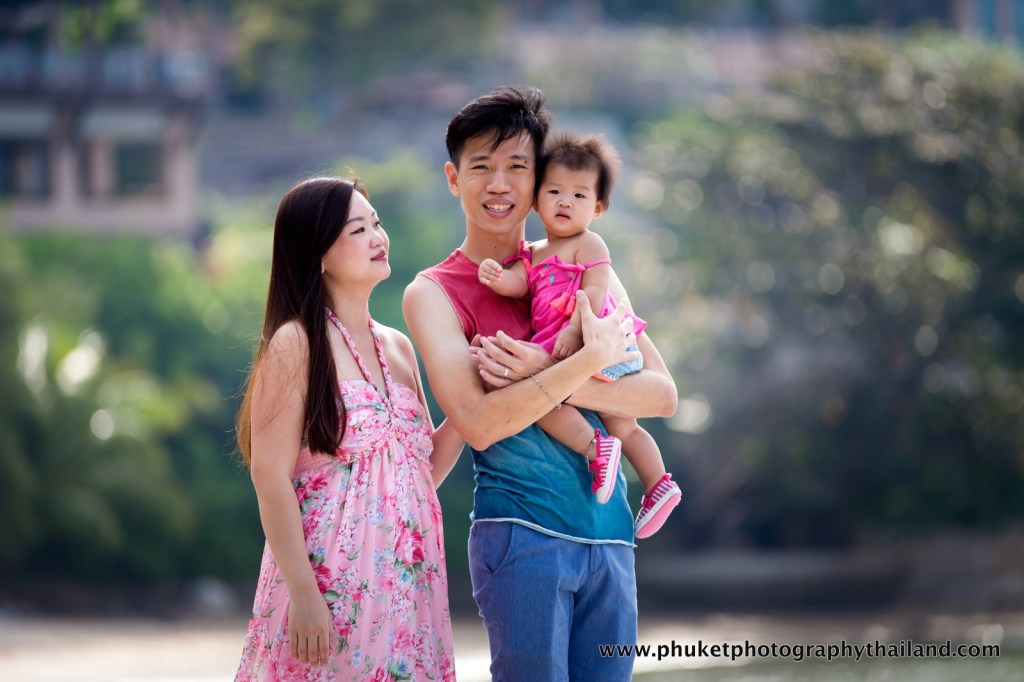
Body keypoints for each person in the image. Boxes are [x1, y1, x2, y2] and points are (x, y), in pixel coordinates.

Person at [403, 85, 678, 681]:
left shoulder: (579, 262)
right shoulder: (434, 292)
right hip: (522, 536)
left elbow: (660, 394)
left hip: (610, 536)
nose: (499, 184)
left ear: (538, 181)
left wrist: (544, 373)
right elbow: (478, 424)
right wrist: (581, 364)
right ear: (454, 179)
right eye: (481, 167)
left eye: (517, 168)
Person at [234, 176, 463, 681]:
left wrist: (472, 407)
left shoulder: (399, 348)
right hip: (328, 583)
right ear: (318, 254)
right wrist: (304, 593)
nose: (378, 236)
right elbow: (269, 476)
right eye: (359, 229)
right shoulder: (297, 343)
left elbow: (421, 472)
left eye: (376, 222)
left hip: (406, 582)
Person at [476, 131, 681, 538]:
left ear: (599, 208)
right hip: (574, 349)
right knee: (623, 425)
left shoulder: (589, 243)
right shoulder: (532, 254)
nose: (566, 201)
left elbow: (594, 291)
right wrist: (497, 278)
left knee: (540, 395)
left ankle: (599, 450)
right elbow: (520, 284)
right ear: (536, 200)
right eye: (555, 191)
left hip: (594, 342)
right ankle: (657, 484)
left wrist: (572, 332)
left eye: (580, 195)